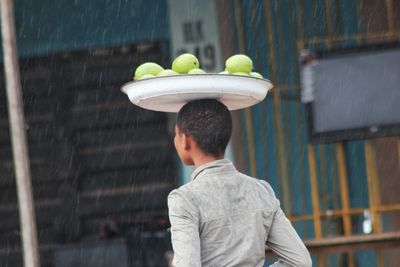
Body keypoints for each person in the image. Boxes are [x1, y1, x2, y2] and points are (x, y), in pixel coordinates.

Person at [168, 99, 312, 267]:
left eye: (176, 134)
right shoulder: (261, 190)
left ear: (185, 140)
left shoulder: (185, 199)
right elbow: (300, 262)